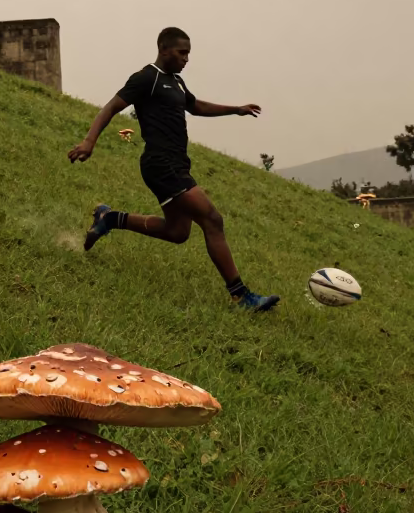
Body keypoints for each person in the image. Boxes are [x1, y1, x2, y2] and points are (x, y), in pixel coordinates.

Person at [67, 26, 280, 311]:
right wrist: (89, 141)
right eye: (182, 52)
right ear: (164, 49)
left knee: (178, 232)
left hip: (177, 163)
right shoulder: (147, 78)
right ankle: (241, 296)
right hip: (160, 163)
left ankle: (110, 218)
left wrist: (235, 109)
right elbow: (110, 108)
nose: (186, 58)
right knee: (213, 220)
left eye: (189, 53)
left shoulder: (176, 82)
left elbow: (196, 106)